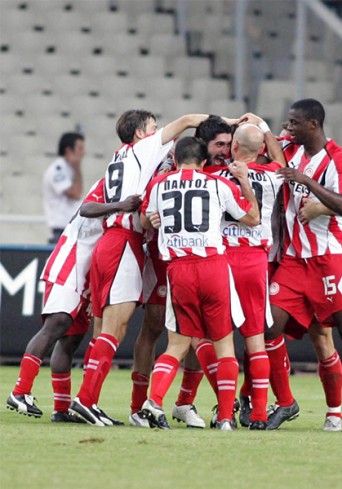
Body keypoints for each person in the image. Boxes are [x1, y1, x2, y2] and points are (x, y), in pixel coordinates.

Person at [69, 109, 236, 427]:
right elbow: (187, 120)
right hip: (127, 243)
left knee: (111, 330)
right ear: (140, 135)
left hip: (116, 243)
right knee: (116, 331)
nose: (160, 132)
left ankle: (101, 402)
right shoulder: (143, 150)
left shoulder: (118, 159)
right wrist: (234, 121)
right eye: (154, 128)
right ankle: (87, 400)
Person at [264, 98, 342, 433]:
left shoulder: (339, 159)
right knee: (268, 328)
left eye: (294, 123)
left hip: (333, 258)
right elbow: (264, 136)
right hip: (296, 260)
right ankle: (286, 402)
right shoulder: (290, 150)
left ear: (312, 124)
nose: (288, 128)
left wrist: (310, 188)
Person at [138, 136, 260, 431]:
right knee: (225, 346)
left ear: (176, 160)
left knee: (177, 344)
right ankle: (226, 419)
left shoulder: (158, 184)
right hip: (213, 267)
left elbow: (144, 221)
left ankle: (153, 401)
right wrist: (246, 185)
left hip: (178, 269)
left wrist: (153, 220)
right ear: (204, 161)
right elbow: (253, 218)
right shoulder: (218, 184)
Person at [6, 179, 139, 422]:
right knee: (56, 324)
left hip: (88, 272)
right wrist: (121, 205)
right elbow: (86, 208)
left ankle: (61, 409)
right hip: (70, 262)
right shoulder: (110, 182)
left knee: (71, 340)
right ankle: (20, 391)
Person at [204, 120, 285, 431]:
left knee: (220, 341)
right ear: (261, 149)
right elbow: (282, 161)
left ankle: (225, 414)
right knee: (255, 342)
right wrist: (264, 127)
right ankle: (261, 415)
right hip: (255, 262)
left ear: (234, 147)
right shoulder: (273, 175)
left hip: (222, 259)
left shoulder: (214, 176)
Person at [128, 153, 208, 429]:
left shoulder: (217, 176)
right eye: (218, 144)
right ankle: (139, 406)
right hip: (165, 261)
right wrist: (152, 218)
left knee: (200, 334)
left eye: (226, 143)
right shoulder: (163, 171)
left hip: (205, 261)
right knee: (154, 327)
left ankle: (184, 402)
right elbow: (144, 220)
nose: (223, 148)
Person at [43, 132, 85, 244]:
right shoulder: (57, 170)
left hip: (71, 228)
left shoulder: (69, 168)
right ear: (68, 150)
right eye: (80, 148)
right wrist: (77, 167)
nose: (83, 153)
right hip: (61, 230)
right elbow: (75, 194)